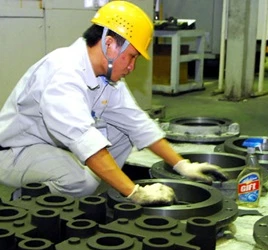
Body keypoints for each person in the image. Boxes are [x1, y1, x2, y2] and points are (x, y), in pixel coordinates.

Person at [0, 1, 226, 206]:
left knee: (123, 131)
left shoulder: (105, 75)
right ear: (110, 44)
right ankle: (29, 200)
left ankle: (97, 194)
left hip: (52, 144)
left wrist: (182, 165)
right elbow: (87, 144)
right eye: (132, 57)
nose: (132, 67)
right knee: (80, 181)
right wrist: (138, 193)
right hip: (16, 151)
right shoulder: (63, 75)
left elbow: (137, 123)